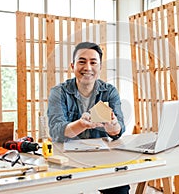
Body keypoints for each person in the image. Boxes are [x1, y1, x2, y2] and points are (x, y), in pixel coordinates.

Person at [47, 41, 130, 194]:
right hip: (67, 160)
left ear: (100, 67)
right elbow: (56, 131)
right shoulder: (59, 92)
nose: (88, 68)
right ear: (72, 66)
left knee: (120, 187)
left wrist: (112, 126)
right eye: (82, 62)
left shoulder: (109, 92)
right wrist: (81, 124)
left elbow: (119, 131)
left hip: (102, 158)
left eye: (93, 62)